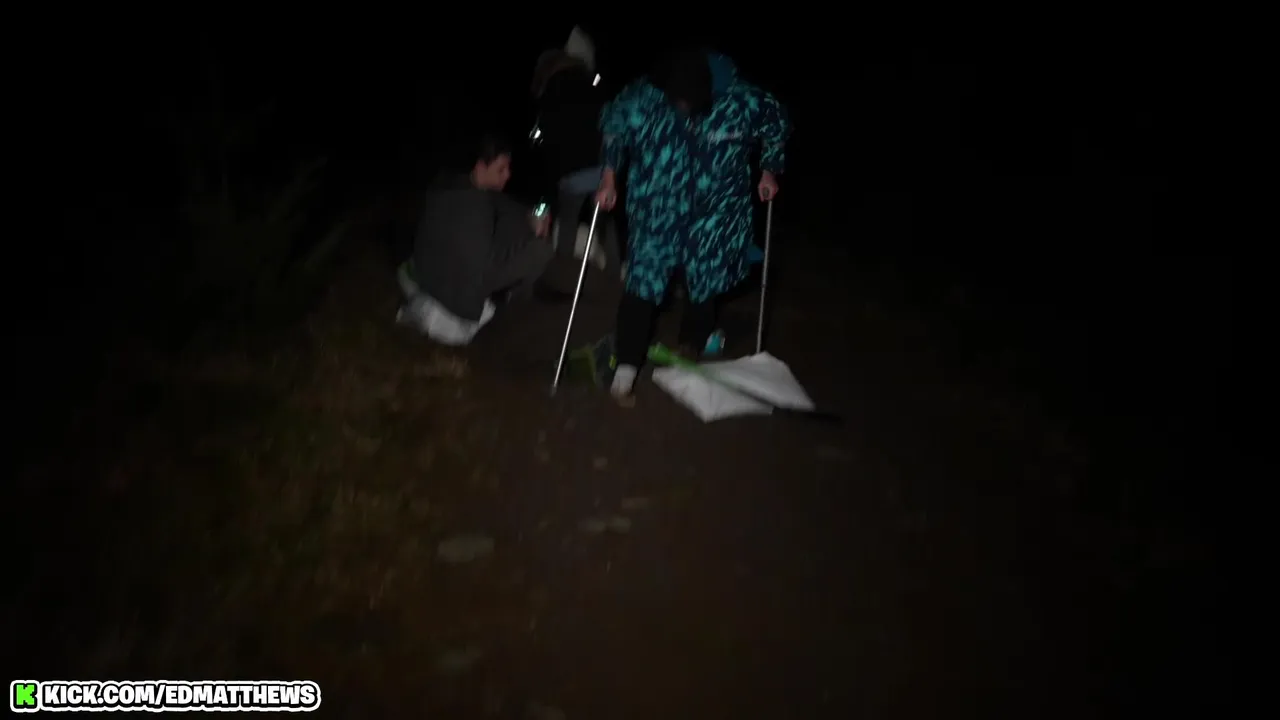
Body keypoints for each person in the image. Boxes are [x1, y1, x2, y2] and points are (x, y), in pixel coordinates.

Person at [596, 48, 791, 405]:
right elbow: (614, 126)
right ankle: (625, 369)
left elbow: (775, 123)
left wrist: (769, 169)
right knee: (643, 277)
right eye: (678, 102)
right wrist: (609, 176)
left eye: (692, 104)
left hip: (715, 209)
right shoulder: (644, 96)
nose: (684, 109)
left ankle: (692, 342)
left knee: (705, 275)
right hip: (657, 206)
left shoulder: (742, 99)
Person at [395, 132, 553, 346]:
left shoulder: (453, 185)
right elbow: (484, 277)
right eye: (501, 169)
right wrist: (536, 249)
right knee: (539, 251)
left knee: (514, 225)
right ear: (480, 167)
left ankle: (424, 309)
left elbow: (502, 203)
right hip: (457, 308)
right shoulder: (476, 209)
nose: (508, 175)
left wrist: (529, 215)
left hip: (423, 277)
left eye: (508, 168)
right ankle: (516, 311)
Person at [529, 26, 622, 289]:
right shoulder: (594, 85)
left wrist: (541, 206)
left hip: (567, 174)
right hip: (600, 171)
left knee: (567, 221)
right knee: (605, 222)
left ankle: (562, 279)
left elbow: (540, 139)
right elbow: (610, 124)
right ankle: (616, 282)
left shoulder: (549, 90)